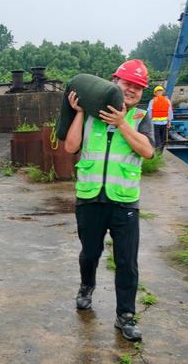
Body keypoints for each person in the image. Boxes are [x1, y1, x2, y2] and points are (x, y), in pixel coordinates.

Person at [63, 60, 155, 342]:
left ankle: (125, 316)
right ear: (114, 82)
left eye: (138, 87)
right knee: (89, 253)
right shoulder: (91, 116)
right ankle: (86, 286)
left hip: (124, 201)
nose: (132, 90)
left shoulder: (139, 117)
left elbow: (148, 152)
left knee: (127, 261)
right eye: (127, 83)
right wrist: (79, 113)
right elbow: (70, 147)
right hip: (90, 198)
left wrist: (122, 123)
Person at [147, 85, 173, 152]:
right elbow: (170, 111)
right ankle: (160, 151)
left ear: (155, 93)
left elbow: (149, 112)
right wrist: (169, 121)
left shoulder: (152, 101)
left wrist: (149, 121)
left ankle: (158, 152)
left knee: (157, 138)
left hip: (155, 123)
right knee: (163, 138)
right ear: (162, 92)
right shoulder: (167, 101)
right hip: (164, 122)